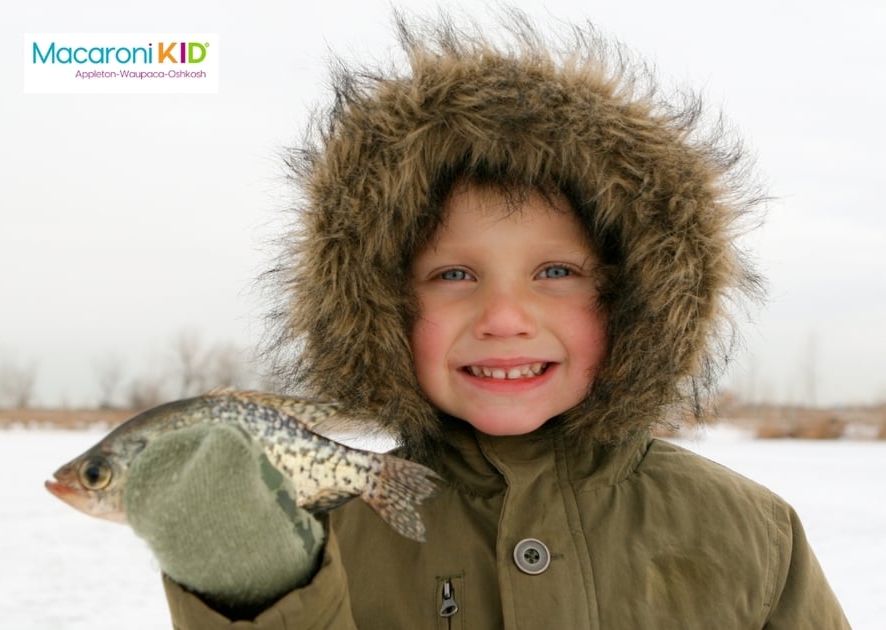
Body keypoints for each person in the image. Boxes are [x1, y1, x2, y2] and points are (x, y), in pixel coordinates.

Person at [122, 11, 851, 629]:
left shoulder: (754, 532)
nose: (504, 317)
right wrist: (259, 590)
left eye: (556, 272)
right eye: (454, 275)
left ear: (637, 301)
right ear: (379, 307)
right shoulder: (320, 541)